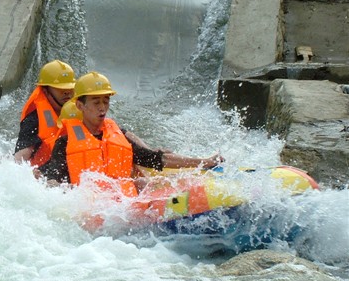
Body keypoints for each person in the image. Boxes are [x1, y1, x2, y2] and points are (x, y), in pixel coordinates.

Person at [37, 72, 223, 194]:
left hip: (124, 206)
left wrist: (204, 161)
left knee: (145, 183)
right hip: (94, 209)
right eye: (96, 102)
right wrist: (56, 185)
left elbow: (156, 160)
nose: (103, 108)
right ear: (80, 105)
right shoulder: (66, 143)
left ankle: (201, 186)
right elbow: (52, 180)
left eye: (106, 101)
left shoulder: (118, 136)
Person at [14, 60, 76, 165]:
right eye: (60, 88)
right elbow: (20, 159)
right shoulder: (33, 120)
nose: (67, 91)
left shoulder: (81, 113)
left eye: (69, 87)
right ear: (46, 91)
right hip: (44, 174)